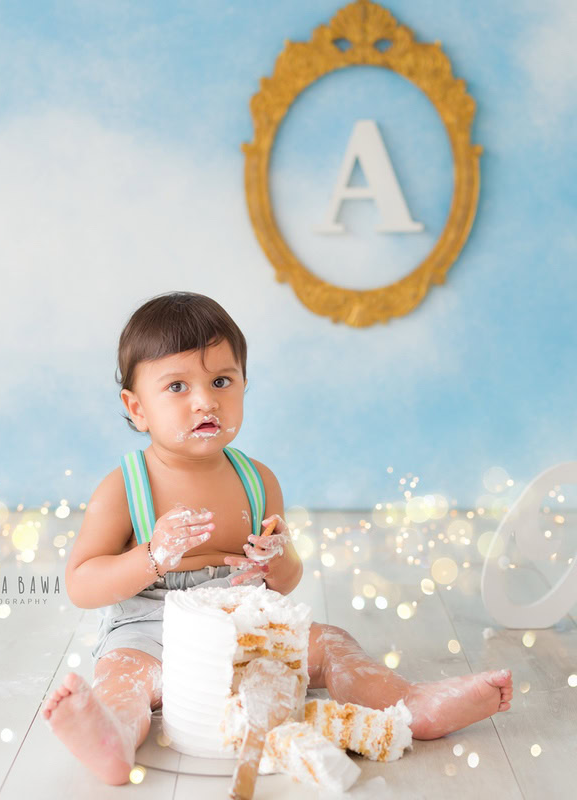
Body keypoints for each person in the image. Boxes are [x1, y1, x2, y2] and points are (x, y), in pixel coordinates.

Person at [40, 291, 512, 785]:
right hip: (147, 625)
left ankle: (411, 704)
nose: (205, 400)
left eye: (221, 381)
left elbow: (285, 583)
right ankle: (112, 734)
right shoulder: (125, 487)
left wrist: (273, 562)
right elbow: (82, 583)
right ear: (137, 409)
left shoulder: (257, 481)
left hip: (243, 620)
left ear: (244, 385)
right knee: (124, 676)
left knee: (331, 643)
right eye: (177, 386)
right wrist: (153, 558)